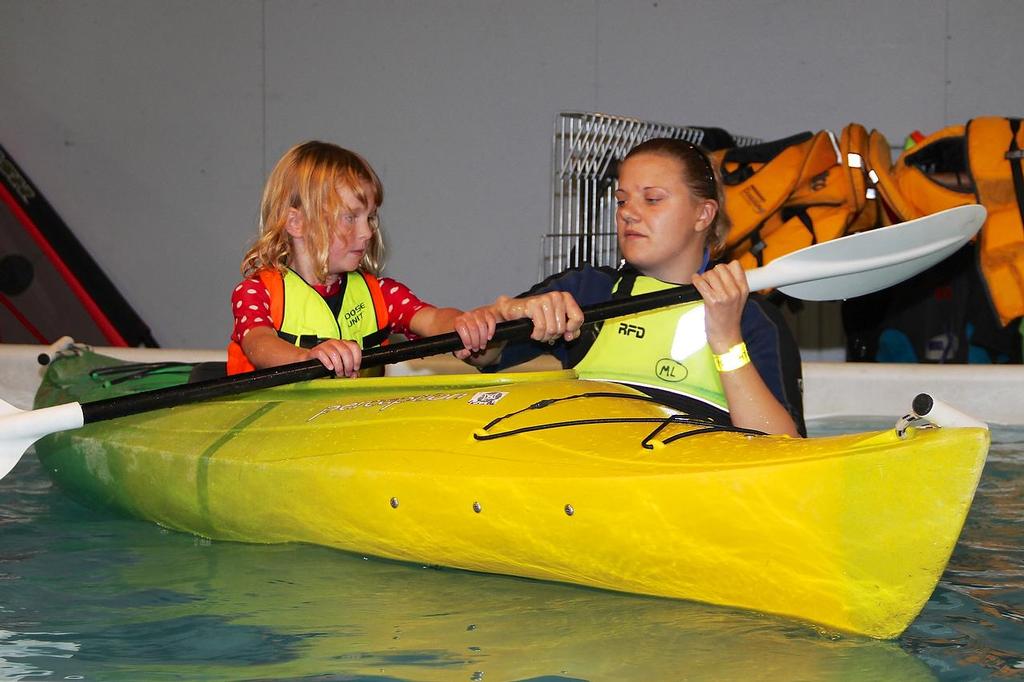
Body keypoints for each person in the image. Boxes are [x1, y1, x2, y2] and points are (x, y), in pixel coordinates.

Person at [463, 138, 805, 437]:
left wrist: (727, 341)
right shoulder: (588, 289)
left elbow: (783, 451)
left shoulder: (752, 317)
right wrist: (510, 311)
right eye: (622, 200)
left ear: (703, 214)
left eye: (652, 199)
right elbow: (484, 351)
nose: (628, 213)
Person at [227, 141, 492, 377]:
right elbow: (259, 344)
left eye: (370, 217)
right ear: (297, 222)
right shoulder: (257, 292)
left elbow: (432, 319)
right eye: (350, 218)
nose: (366, 233)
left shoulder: (381, 295)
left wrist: (461, 323)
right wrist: (306, 359)